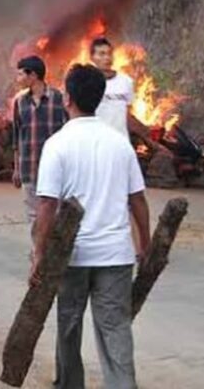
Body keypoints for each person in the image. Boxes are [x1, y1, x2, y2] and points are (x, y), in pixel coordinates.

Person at [30, 64, 151, 389]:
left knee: (68, 327)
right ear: (98, 99)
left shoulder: (57, 145)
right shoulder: (120, 145)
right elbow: (137, 200)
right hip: (116, 255)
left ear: (67, 98)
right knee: (115, 329)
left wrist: (39, 253)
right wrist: (145, 246)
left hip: (72, 257)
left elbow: (46, 206)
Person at [11, 55, 67, 240]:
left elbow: (69, 132)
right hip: (29, 168)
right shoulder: (19, 102)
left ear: (32, 75)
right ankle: (38, 254)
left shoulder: (59, 98)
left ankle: (54, 254)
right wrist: (17, 169)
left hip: (55, 169)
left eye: (20, 74)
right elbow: (17, 136)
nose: (17, 79)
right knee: (33, 216)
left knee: (55, 214)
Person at [90, 37, 134, 137]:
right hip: (96, 140)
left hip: (121, 140)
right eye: (101, 54)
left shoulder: (126, 81)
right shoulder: (87, 83)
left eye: (109, 53)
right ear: (92, 57)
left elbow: (128, 114)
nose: (107, 58)